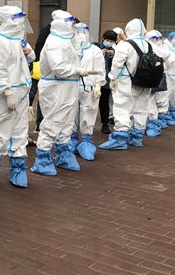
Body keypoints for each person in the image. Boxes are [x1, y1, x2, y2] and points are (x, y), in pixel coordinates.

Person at [0, 6, 33, 190]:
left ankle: (18, 169)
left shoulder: (15, 41)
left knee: (19, 132)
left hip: (20, 94)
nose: (20, 24)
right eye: (16, 20)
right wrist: (7, 91)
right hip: (1, 96)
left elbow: (24, 63)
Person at [31, 10, 85, 176]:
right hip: (55, 87)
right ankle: (42, 158)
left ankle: (63, 154)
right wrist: (77, 70)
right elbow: (59, 68)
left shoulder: (67, 40)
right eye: (72, 24)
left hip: (68, 86)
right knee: (53, 121)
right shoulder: (54, 41)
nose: (74, 28)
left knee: (67, 122)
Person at [99, 19, 152, 150]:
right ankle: (137, 137)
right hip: (145, 82)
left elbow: (117, 64)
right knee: (141, 108)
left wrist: (112, 77)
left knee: (122, 107)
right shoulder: (149, 44)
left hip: (126, 81)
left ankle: (119, 139)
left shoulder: (125, 45)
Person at [69, 23, 105, 161]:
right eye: (77, 32)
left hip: (89, 88)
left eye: (83, 32)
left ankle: (86, 141)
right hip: (71, 87)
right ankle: (71, 140)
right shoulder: (70, 48)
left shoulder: (95, 50)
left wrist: (98, 85)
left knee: (88, 112)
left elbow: (100, 70)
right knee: (71, 113)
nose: (80, 35)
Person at [145, 30, 174, 137]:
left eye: (159, 38)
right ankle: (149, 122)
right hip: (146, 76)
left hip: (159, 75)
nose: (157, 40)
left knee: (160, 98)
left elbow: (166, 55)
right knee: (148, 100)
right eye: (154, 38)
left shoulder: (161, 48)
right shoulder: (146, 46)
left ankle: (157, 120)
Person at [98, 30, 117, 134]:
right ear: (103, 38)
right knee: (90, 104)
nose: (109, 42)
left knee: (104, 103)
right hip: (94, 80)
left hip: (106, 81)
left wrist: (113, 54)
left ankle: (105, 124)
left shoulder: (114, 50)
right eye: (107, 40)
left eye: (112, 41)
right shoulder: (96, 46)